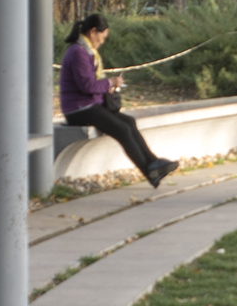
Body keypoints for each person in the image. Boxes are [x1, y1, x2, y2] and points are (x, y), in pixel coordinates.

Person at [59, 13, 175, 188]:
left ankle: (153, 163)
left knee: (129, 122)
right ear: (92, 32)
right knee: (122, 129)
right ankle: (149, 170)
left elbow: (91, 86)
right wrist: (110, 83)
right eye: (102, 37)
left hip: (90, 105)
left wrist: (108, 88)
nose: (102, 41)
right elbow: (87, 86)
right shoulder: (78, 52)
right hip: (78, 109)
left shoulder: (87, 52)